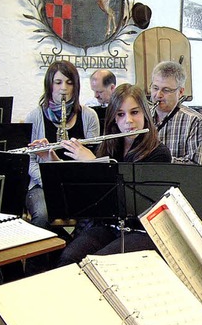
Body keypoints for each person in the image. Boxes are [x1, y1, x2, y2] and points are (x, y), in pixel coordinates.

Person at [56, 83, 171, 266]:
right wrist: (52, 159)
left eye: (135, 112)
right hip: (109, 226)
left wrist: (94, 163)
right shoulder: (108, 146)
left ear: (145, 114)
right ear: (113, 119)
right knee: (69, 258)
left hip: (140, 231)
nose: (128, 121)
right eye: (120, 114)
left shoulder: (159, 153)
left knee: (98, 264)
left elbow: (132, 202)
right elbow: (92, 197)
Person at [24, 60, 100, 231]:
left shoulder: (89, 116)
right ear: (49, 85)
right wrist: (50, 181)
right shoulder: (34, 116)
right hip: (41, 184)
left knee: (95, 212)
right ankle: (42, 256)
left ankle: (78, 251)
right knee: (42, 215)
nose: (64, 88)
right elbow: (29, 160)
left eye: (69, 82)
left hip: (78, 184)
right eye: (58, 82)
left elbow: (94, 156)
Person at [149, 61, 202, 165]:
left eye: (166, 90)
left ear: (180, 92)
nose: (158, 95)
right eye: (155, 88)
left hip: (176, 180)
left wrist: (162, 159)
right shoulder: (142, 116)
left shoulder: (195, 121)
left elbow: (196, 166)